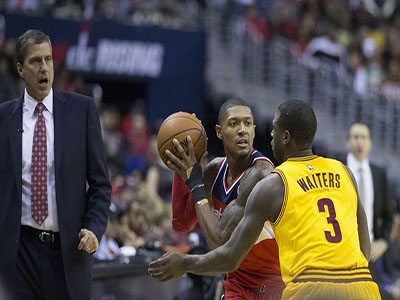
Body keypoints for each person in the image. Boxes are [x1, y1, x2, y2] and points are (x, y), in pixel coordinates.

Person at [149, 99, 382, 300]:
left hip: (305, 287)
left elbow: (228, 255)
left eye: (273, 130)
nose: (269, 136)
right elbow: (365, 247)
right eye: (234, 124)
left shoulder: (272, 182)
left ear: (285, 137)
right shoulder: (343, 171)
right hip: (362, 286)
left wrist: (185, 263)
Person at [0, 30, 111, 299]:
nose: (44, 68)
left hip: (67, 254)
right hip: (17, 256)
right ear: (20, 69)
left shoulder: (81, 110)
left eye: (48, 59)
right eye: (35, 61)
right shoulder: (3, 118)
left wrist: (94, 229)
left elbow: (101, 185)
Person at [164, 97, 284, 299]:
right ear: (219, 132)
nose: (242, 130)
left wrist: (196, 185)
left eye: (247, 123)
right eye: (234, 123)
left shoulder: (261, 174)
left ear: (254, 130)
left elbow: (220, 243)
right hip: (237, 281)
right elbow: (181, 223)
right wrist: (181, 165)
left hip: (273, 285)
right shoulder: (214, 170)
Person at [346, 123, 397, 299]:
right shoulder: (336, 169)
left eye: (364, 137)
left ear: (370, 143)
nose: (360, 142)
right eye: (355, 137)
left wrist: (383, 241)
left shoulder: (378, 173)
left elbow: (389, 213)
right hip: (341, 252)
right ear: (348, 143)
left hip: (370, 253)